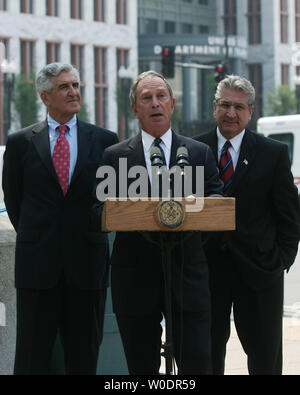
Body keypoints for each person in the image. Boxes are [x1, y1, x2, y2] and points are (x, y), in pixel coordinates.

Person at [100, 70, 224, 375]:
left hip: (188, 278)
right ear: (135, 108)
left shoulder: (198, 153)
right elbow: (99, 210)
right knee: (141, 369)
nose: (155, 103)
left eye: (161, 96)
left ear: (172, 104)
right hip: (135, 281)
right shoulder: (115, 157)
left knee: (197, 367)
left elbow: (217, 207)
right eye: (146, 98)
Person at [2, 62, 118, 375]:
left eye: (76, 85)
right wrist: (41, 235)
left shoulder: (106, 141)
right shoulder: (20, 143)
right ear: (45, 97)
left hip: (87, 266)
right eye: (63, 87)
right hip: (37, 267)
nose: (73, 92)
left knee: (84, 357)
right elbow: (15, 202)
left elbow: (110, 202)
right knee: (31, 357)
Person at [195, 75, 300, 375]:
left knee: (265, 358)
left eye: (239, 107)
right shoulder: (192, 149)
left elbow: (290, 215)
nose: (231, 113)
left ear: (251, 111)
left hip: (259, 272)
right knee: (206, 356)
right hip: (206, 272)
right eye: (225, 105)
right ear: (214, 107)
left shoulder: (273, 152)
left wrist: (281, 260)